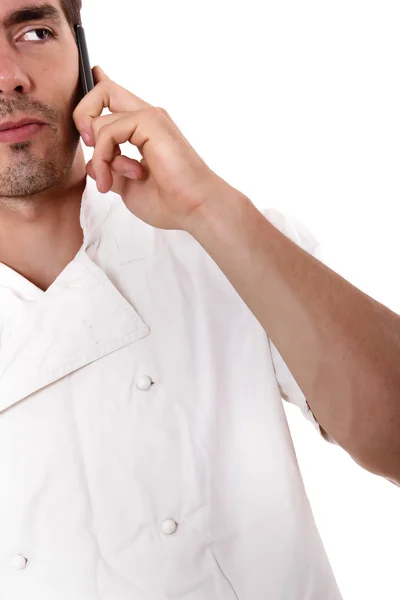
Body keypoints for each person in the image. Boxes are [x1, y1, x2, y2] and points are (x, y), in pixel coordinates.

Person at [0, 0, 399, 598]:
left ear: (84, 56)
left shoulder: (222, 242)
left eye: (33, 31)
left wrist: (209, 208)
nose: (8, 73)